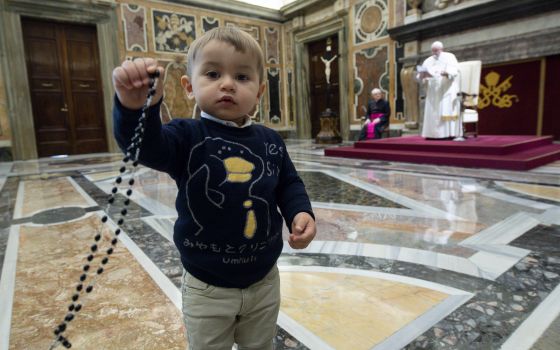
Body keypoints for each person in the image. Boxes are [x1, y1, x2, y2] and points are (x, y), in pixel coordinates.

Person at [112, 26, 316, 350]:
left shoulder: (271, 141)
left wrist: (300, 211)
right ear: (189, 86)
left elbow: (288, 183)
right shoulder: (186, 136)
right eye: (212, 73)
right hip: (207, 287)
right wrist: (137, 110)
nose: (227, 83)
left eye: (242, 77)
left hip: (264, 281)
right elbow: (145, 147)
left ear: (260, 91)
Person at [417, 41, 463, 140]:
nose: (434, 53)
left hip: (446, 88)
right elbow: (420, 75)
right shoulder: (428, 60)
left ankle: (448, 134)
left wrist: (447, 73)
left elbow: (456, 70)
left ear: (441, 49)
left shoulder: (450, 57)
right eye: (433, 51)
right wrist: (422, 76)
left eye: (436, 50)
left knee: (445, 110)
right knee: (433, 112)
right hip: (433, 90)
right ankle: (432, 134)